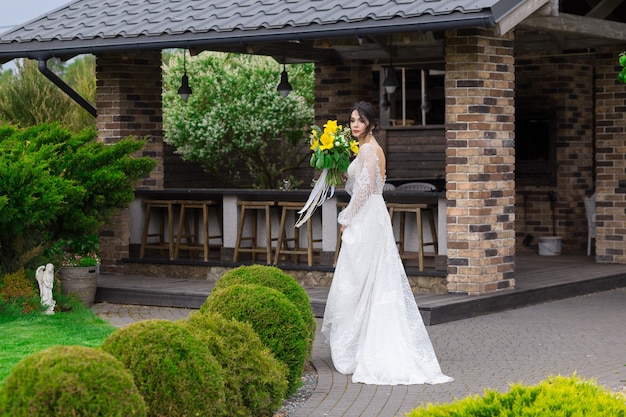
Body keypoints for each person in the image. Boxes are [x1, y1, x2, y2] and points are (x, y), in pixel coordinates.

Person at [321, 101, 453, 385]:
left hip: (367, 216)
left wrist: (345, 218)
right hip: (374, 214)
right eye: (352, 120)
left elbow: (365, 190)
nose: (354, 124)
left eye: (359, 120)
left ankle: (365, 345)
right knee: (368, 276)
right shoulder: (371, 148)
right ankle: (360, 340)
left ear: (370, 122)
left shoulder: (369, 149)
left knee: (362, 276)